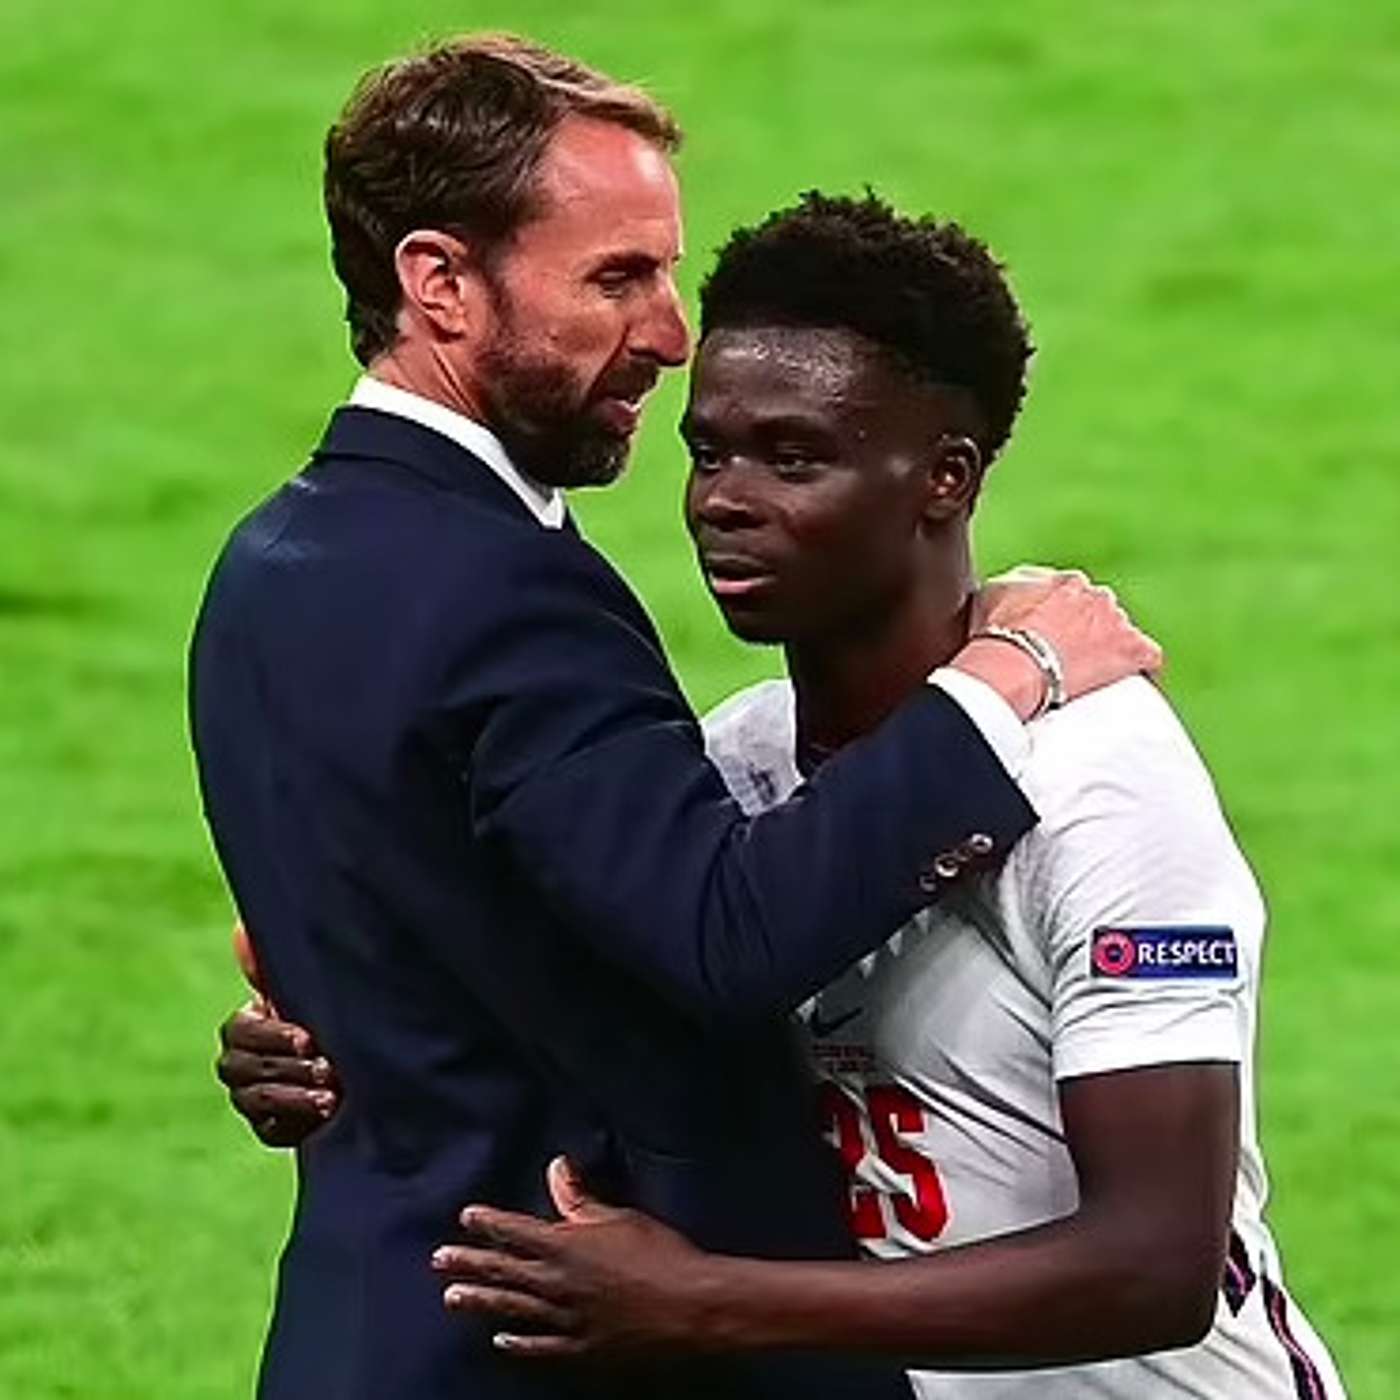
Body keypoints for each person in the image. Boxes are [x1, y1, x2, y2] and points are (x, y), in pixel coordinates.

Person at [225, 192, 1344, 1396]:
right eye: (708, 451)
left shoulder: (1099, 783)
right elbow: (537, 1008)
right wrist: (331, 1045)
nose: (723, 499)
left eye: (793, 458)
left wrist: (705, 1300)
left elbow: (1154, 1264)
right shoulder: (732, 770)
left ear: (944, 478)